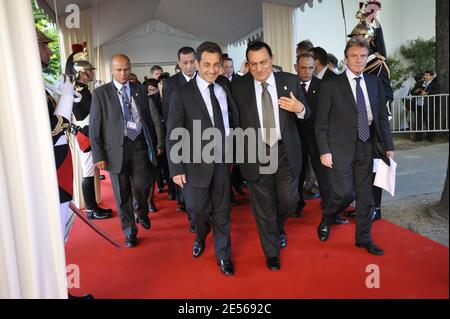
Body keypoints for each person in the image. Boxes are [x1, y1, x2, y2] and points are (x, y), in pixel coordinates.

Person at [232, 41, 310, 270]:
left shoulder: (289, 81)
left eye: (263, 62)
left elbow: (308, 112)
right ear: (248, 64)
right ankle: (271, 252)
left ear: (272, 59)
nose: (259, 68)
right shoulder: (238, 87)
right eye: (253, 64)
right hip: (255, 153)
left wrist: (300, 109)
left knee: (289, 200)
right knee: (263, 207)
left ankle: (277, 226)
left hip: (285, 151)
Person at [315, 38, 394, 255]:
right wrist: (324, 150)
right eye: (354, 56)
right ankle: (327, 216)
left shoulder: (374, 82)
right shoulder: (331, 85)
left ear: (367, 57)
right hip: (339, 147)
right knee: (343, 193)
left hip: (367, 145)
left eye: (362, 56)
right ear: (346, 58)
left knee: (366, 196)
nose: (358, 60)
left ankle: (363, 238)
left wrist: (388, 145)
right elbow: (321, 122)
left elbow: (381, 117)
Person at [166, 42, 239, 276]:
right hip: (194, 163)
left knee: (222, 210)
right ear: (197, 64)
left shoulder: (224, 87)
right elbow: (173, 131)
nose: (211, 69)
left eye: (216, 65)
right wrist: (176, 166)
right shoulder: (182, 93)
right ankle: (200, 235)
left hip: (222, 160)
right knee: (198, 210)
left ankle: (223, 255)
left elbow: (232, 120)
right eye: (206, 64)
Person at [37, 28, 92, 299]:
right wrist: (67, 98)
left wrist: (65, 96)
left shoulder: (37, 82)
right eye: (44, 46)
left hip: (58, 164)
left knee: (59, 237)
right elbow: (51, 127)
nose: (48, 51)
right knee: (53, 239)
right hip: (50, 168)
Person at [90, 54, 163, 248]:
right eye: (119, 70)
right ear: (112, 71)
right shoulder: (101, 93)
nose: (123, 74)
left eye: (126, 69)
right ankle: (130, 231)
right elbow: (94, 127)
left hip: (138, 144)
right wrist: (98, 155)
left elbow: (148, 120)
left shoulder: (139, 89)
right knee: (122, 194)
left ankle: (142, 210)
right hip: (115, 149)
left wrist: (155, 143)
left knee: (142, 184)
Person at [65, 46, 113, 220]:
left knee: (90, 171)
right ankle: (92, 209)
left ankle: (93, 207)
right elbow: (93, 111)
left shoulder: (81, 88)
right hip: (85, 132)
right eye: (89, 71)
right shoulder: (80, 90)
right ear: (82, 72)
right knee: (87, 172)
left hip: (86, 130)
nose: (92, 73)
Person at [294, 53, 336, 221]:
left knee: (323, 174)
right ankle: (297, 205)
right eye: (303, 68)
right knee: (297, 173)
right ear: (296, 67)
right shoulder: (289, 85)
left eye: (310, 68)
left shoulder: (323, 85)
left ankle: (330, 208)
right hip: (296, 137)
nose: (307, 72)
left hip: (317, 137)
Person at [162, 46, 197, 231]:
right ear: (178, 63)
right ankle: (193, 219)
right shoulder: (171, 84)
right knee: (187, 185)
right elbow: (168, 116)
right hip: (182, 140)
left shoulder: (204, 79)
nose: (190, 66)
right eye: (185, 63)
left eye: (192, 62)